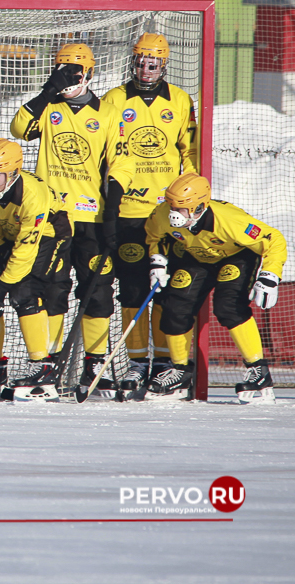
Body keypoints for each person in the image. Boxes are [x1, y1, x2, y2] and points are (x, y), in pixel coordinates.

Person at [11, 44, 131, 396]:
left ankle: (96, 363)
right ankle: (47, 364)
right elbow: (19, 129)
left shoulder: (108, 113)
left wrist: (112, 213)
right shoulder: (49, 107)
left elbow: (120, 164)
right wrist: (47, 91)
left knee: (97, 289)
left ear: (89, 74)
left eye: (74, 72)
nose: (68, 78)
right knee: (52, 289)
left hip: (91, 217)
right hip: (52, 216)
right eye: (61, 70)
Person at [101, 33, 200, 396]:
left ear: (164, 65)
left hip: (166, 213)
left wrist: (190, 198)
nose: (146, 70)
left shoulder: (180, 100)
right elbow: (104, 152)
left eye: (153, 64)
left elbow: (189, 152)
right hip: (128, 210)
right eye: (141, 63)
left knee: (166, 289)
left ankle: (164, 362)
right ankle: (137, 362)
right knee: (132, 289)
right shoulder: (114, 99)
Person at [144, 173, 286, 403]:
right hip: (197, 256)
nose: (173, 213)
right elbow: (154, 235)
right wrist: (157, 261)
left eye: (180, 208)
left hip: (236, 256)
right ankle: (180, 372)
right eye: (171, 206)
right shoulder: (162, 214)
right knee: (175, 305)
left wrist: (270, 275)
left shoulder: (230, 220)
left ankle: (258, 371)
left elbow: (274, 239)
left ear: (199, 207)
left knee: (228, 306)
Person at [0, 139, 71, 401]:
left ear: (12, 173)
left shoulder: (32, 195)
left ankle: (42, 367)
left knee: (24, 292)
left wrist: (1, 288)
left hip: (48, 234)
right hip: (9, 236)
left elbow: (26, 249)